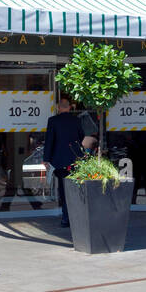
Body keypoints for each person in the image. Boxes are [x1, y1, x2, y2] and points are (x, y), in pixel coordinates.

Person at [43, 96, 84, 227]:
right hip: (75, 159)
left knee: (63, 189)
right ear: (69, 107)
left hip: (59, 161)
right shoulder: (76, 120)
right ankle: (74, 217)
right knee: (75, 188)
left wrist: (46, 159)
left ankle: (65, 218)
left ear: (58, 108)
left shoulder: (53, 121)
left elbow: (49, 140)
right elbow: (82, 137)